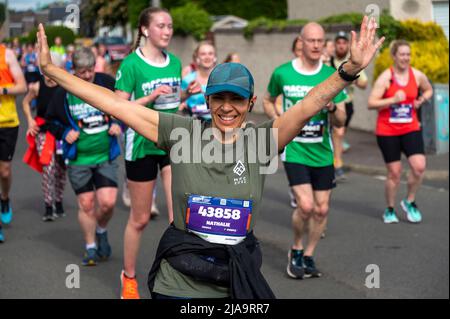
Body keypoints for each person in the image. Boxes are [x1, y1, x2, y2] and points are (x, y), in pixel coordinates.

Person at [37, 15, 383, 298]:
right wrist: (53, 72)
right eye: (219, 99)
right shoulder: (181, 132)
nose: (227, 108)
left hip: (235, 278)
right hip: (180, 283)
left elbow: (309, 105)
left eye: (236, 99)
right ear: (208, 101)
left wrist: (347, 71)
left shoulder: (261, 139)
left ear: (250, 104)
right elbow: (114, 103)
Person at [113, 7, 195, 299]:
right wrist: (149, 97)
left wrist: (186, 94)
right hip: (141, 146)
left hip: (170, 143)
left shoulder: (174, 62)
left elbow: (172, 101)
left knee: (179, 217)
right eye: (161, 25)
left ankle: (177, 273)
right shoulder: (131, 65)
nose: (167, 31)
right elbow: (118, 109)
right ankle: (129, 277)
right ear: (146, 30)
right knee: (140, 218)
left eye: (170, 26)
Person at [264, 22, 349, 279]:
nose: (315, 45)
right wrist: (279, 118)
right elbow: (268, 100)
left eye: (320, 41)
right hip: (295, 150)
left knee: (322, 209)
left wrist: (333, 108)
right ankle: (296, 248)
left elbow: (342, 120)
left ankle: (309, 254)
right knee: (306, 205)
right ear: (300, 42)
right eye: (310, 40)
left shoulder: (331, 75)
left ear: (325, 45)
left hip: (322, 151)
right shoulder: (282, 73)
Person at [45, 47, 122, 265]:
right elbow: (49, 120)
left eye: (90, 71)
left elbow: (126, 107)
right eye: (82, 72)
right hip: (79, 158)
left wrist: (117, 124)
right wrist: (63, 132)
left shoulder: (106, 82)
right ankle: (90, 246)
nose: (87, 76)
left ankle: (101, 229)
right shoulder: (63, 92)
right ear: (74, 70)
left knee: (107, 203)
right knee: (87, 204)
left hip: (105, 154)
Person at [368, 40, 432, 224]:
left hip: (410, 127)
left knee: (419, 167)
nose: (405, 58)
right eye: (402, 54)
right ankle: (389, 209)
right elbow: (371, 103)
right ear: (394, 56)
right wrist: (392, 100)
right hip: (387, 130)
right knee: (394, 172)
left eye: (408, 54)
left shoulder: (417, 75)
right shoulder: (385, 78)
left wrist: (421, 99)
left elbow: (428, 90)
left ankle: (409, 201)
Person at [22, 52, 67, 221]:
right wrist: (29, 120)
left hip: (61, 132)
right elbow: (25, 102)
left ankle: (59, 200)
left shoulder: (65, 86)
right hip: (43, 132)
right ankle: (49, 205)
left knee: (62, 170)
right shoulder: (37, 86)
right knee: (48, 168)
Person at [330, 31, 368, 181]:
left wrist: (354, 80)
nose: (341, 46)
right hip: (330, 104)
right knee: (337, 134)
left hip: (347, 104)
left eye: (344, 43)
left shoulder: (353, 63)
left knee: (339, 134)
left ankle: (334, 162)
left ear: (347, 45)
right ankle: (336, 165)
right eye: (338, 43)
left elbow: (364, 83)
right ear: (335, 45)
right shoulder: (327, 62)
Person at [0, 42, 27, 243]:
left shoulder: (7, 54)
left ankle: (5, 198)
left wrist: (3, 90)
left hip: (7, 122)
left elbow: (22, 86)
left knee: (4, 171)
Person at [180, 41, 217, 122]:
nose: (207, 57)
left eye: (210, 54)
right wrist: (183, 104)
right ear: (197, 58)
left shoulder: (222, 79)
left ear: (215, 57)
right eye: (203, 54)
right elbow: (179, 100)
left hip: (217, 124)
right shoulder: (188, 80)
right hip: (193, 125)